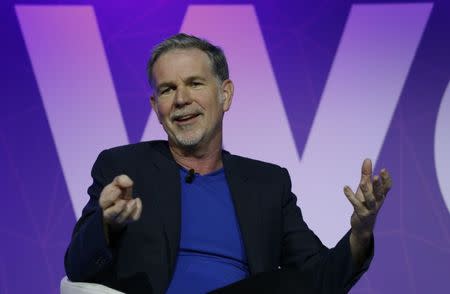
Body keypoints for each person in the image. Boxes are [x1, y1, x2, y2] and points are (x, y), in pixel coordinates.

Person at [64, 33, 392, 294]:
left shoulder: (268, 184)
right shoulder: (124, 168)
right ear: (156, 106)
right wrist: (105, 226)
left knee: (289, 283)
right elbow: (77, 268)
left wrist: (360, 235)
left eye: (194, 83)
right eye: (167, 89)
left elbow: (318, 279)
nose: (181, 99)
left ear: (225, 94)